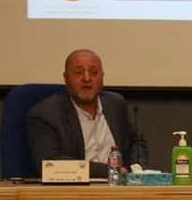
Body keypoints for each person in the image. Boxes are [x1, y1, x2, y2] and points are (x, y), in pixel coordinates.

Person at [27, 49, 147, 178]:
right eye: (78, 72)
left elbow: (136, 142)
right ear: (66, 78)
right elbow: (50, 163)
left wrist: (137, 170)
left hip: (121, 185)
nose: (87, 78)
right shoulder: (45, 114)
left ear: (102, 77)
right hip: (76, 188)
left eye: (94, 72)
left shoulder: (116, 103)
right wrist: (111, 171)